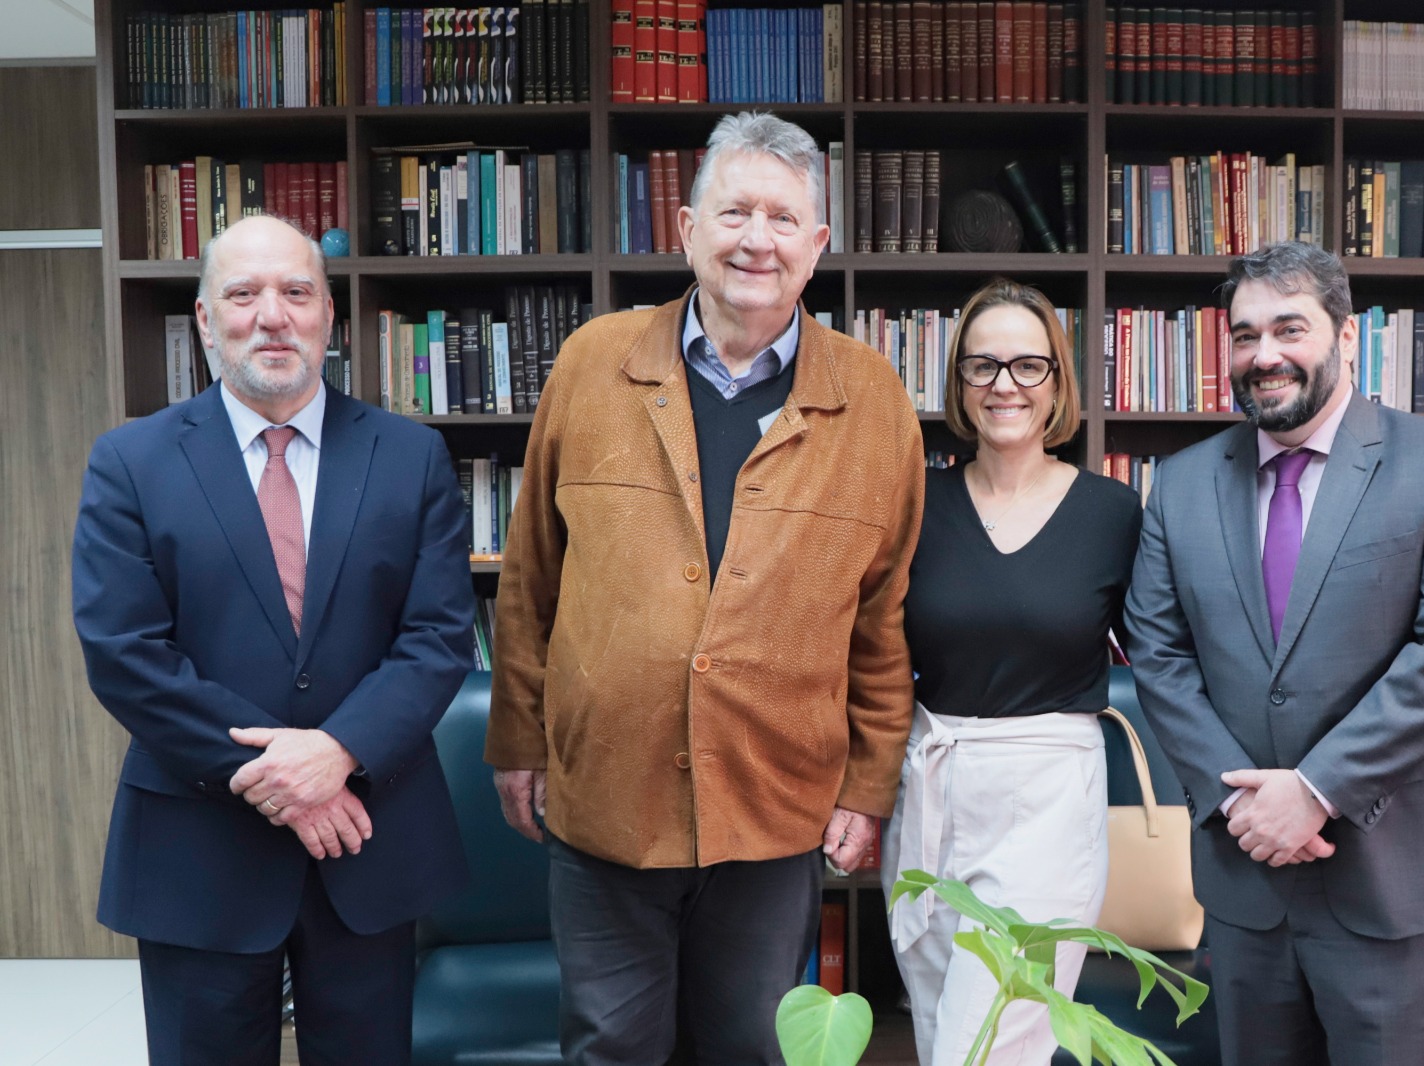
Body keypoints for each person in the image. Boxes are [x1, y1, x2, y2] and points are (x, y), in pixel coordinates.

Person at [484, 110, 925, 1065]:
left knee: (747, 1047)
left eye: (781, 219)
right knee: (610, 1044)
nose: (754, 239)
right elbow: (530, 578)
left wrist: (869, 783)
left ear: (816, 246)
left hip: (773, 802)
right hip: (606, 794)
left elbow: (882, 620)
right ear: (686, 228)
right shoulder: (593, 364)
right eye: (734, 212)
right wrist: (519, 738)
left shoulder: (874, 399)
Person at [72, 214, 477, 1065]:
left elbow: (437, 636)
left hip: (369, 840)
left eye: (297, 292)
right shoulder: (131, 462)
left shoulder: (411, 457)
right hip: (197, 850)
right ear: (204, 317)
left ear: (329, 314)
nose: (273, 315)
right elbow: (126, 653)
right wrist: (285, 780)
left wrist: (337, 752)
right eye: (244, 294)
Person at [1123, 241, 1424, 1066]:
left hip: (1391, 870)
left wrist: (1314, 790)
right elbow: (1158, 655)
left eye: (1288, 329)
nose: (1263, 355)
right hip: (1244, 873)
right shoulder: (1182, 484)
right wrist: (1243, 805)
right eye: (1243, 335)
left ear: (1345, 336)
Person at [882, 278, 1142, 1065]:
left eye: (1029, 366)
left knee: (993, 1040)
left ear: (1058, 380)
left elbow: (1165, 654)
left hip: (1047, 801)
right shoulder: (914, 504)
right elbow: (876, 659)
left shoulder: (1111, 512)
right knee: (937, 1028)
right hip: (928, 786)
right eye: (983, 365)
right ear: (958, 380)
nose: (1005, 385)